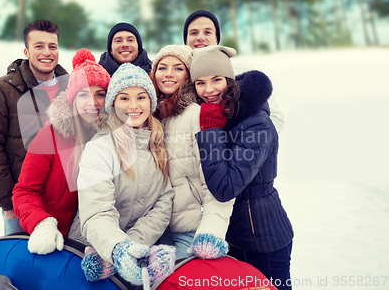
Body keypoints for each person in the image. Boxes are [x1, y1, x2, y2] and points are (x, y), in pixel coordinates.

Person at [191, 45, 293, 290]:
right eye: (200, 83)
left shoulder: (256, 123)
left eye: (216, 80)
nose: (209, 90)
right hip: (234, 232)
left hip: (263, 236)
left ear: (230, 80)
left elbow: (225, 187)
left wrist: (211, 130)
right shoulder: (224, 112)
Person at [75, 63, 176, 286]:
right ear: (113, 105)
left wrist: (133, 246)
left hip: (131, 253)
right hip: (89, 252)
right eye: (124, 98)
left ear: (151, 102)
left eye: (141, 97)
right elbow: (96, 212)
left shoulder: (158, 146)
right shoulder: (100, 148)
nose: (133, 105)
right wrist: (118, 249)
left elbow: (164, 202)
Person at [0, 20, 69, 235]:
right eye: (39, 46)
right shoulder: (0, 91)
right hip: (22, 206)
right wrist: (8, 203)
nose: (47, 52)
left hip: (67, 205)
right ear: (26, 50)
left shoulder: (71, 89)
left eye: (52, 46)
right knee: (22, 263)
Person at [11, 49, 111, 254]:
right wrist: (42, 224)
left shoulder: (112, 140)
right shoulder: (50, 136)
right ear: (72, 99)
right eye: (84, 94)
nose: (92, 102)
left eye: (99, 94)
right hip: (53, 239)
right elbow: (25, 191)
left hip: (94, 242)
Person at [150, 45, 234, 260]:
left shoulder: (198, 115)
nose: (169, 73)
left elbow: (217, 180)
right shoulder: (148, 116)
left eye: (178, 68)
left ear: (188, 77)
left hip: (192, 229)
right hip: (157, 228)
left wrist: (210, 231)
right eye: (162, 67)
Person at [183, 10, 285, 134]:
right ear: (186, 41)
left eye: (207, 32)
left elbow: (275, 117)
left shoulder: (242, 70)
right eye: (194, 33)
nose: (200, 37)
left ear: (216, 39)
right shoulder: (178, 76)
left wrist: (247, 145)